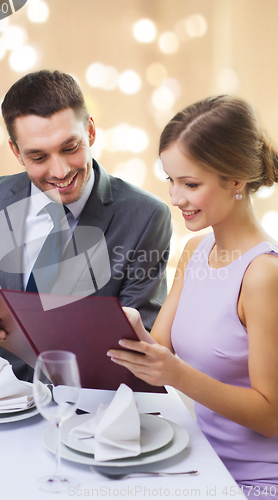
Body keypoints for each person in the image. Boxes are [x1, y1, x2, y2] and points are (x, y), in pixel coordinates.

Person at [0, 70, 172, 381]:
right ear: (16, 152)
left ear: (90, 132)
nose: (60, 170)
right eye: (38, 157)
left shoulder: (146, 217)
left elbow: (142, 343)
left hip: (85, 414)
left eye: (70, 148)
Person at [108, 95, 278, 499]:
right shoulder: (195, 252)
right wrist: (122, 327)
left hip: (252, 481)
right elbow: (159, 349)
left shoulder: (263, 275)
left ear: (236, 180)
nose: (174, 197)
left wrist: (178, 375)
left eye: (190, 184)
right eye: (171, 180)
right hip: (195, 460)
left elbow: (272, 415)